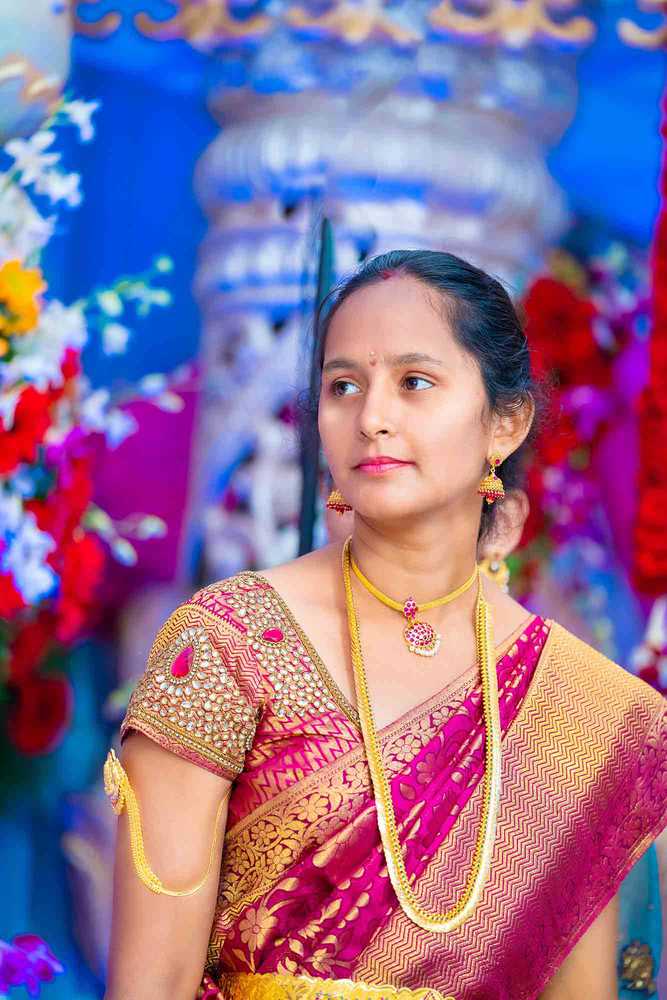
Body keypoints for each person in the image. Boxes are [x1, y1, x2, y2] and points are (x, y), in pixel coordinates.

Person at [103, 250, 666, 1000]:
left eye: (414, 382)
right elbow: (151, 984)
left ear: (506, 422)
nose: (370, 418)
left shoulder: (587, 714)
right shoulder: (228, 644)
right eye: (343, 386)